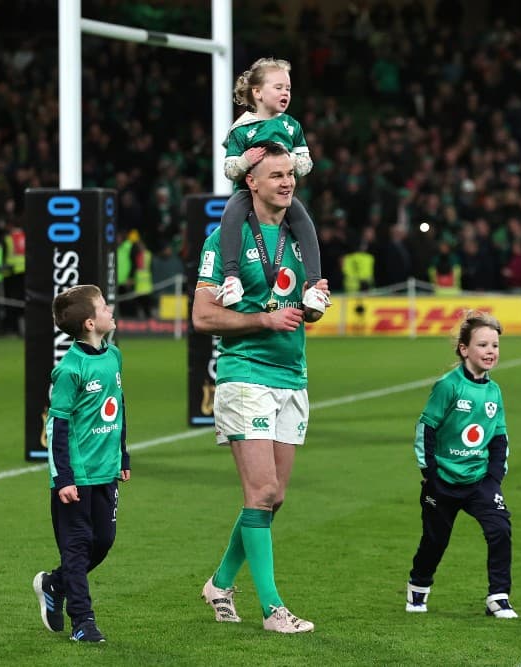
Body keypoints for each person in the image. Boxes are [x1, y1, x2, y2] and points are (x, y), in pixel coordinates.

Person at [192, 141, 329, 634]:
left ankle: (220, 583)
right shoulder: (222, 241)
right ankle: (274, 609)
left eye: (290, 174)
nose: (287, 182)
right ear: (251, 181)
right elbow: (203, 315)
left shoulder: (297, 236)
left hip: (292, 376)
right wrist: (262, 320)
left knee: (275, 497)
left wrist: (312, 308)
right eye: (276, 175)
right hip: (244, 373)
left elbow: (297, 308)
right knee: (262, 490)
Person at [32, 284, 130, 643]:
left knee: (102, 541)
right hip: (76, 479)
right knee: (76, 548)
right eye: (104, 307)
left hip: (106, 472)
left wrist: (124, 455)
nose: (110, 310)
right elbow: (56, 426)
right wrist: (63, 480)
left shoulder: (114, 357)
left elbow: (118, 406)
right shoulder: (69, 369)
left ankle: (54, 585)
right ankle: (83, 623)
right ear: (90, 322)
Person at [405, 311, 517, 619]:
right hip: (443, 480)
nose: (490, 351)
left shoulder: (494, 391)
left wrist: (493, 480)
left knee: (499, 530)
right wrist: (430, 475)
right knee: (435, 540)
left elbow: (499, 438)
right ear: (464, 349)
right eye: (483, 345)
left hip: (478, 481)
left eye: (495, 345)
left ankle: (498, 596)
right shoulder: (448, 386)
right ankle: (418, 587)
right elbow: (425, 429)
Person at [215, 57, 328, 319]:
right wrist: (246, 161)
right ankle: (231, 278)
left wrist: (290, 163)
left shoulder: (291, 125)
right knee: (231, 214)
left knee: (304, 223)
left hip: (281, 196)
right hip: (248, 194)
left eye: (288, 88)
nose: (285, 93)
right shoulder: (241, 128)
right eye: (278, 87)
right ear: (257, 92)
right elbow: (230, 169)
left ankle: (314, 285)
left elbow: (306, 162)